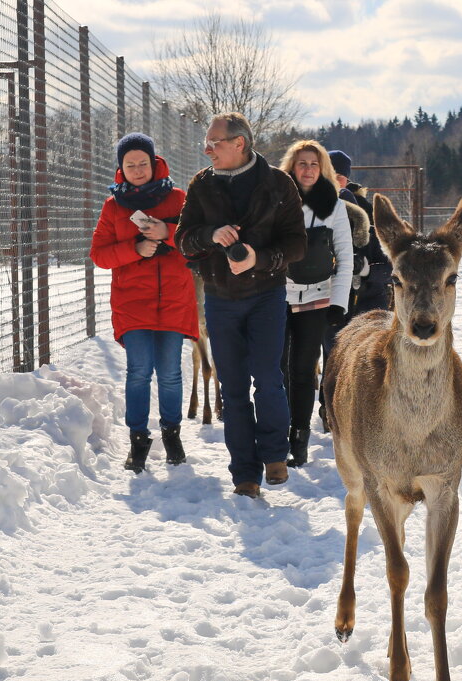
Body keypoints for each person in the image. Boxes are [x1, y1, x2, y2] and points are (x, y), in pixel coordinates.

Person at [175, 112, 306, 499]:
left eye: (214, 142)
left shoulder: (279, 184)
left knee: (267, 378)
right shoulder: (201, 184)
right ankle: (244, 474)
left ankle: (274, 456)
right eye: (207, 142)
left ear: (239, 144)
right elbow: (183, 239)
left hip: (266, 295)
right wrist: (211, 234)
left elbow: (297, 244)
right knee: (231, 387)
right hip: (220, 299)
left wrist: (257, 259)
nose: (207, 149)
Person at [90, 132, 199, 473]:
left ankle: (172, 434)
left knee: (169, 374)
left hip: (174, 301)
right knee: (138, 373)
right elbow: (99, 255)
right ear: (120, 169)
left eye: (143, 163)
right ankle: (138, 439)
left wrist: (167, 233)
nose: (138, 169)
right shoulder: (113, 207)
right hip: (132, 303)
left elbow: (197, 245)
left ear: (154, 164)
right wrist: (133, 250)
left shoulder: (179, 199)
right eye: (130, 164)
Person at [278, 141, 366, 467]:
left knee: (302, 371)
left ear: (323, 168)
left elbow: (345, 258)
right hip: (278, 296)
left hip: (317, 298)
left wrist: (338, 304)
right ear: (292, 166)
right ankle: (277, 433)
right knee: (277, 369)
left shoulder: (336, 206)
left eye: (314, 164)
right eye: (302, 163)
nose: (308, 169)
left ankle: (298, 440)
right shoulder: (278, 202)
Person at [327, 149, 393, 316]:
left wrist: (367, 270)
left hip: (369, 299)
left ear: (347, 180)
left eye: (339, 177)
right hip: (330, 298)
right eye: (329, 176)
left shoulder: (367, 212)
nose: (334, 181)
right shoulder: (312, 211)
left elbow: (392, 267)